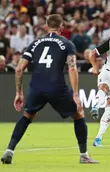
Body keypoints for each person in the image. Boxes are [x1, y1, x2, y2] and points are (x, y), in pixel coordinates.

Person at [1, 14, 98, 164]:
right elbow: (72, 68)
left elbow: (19, 69)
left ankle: (9, 150)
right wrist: (76, 95)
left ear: (46, 26)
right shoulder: (66, 43)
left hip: (36, 87)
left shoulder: (34, 43)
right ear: (62, 27)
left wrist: (18, 92)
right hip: (56, 87)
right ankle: (84, 155)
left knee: (27, 116)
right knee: (78, 114)